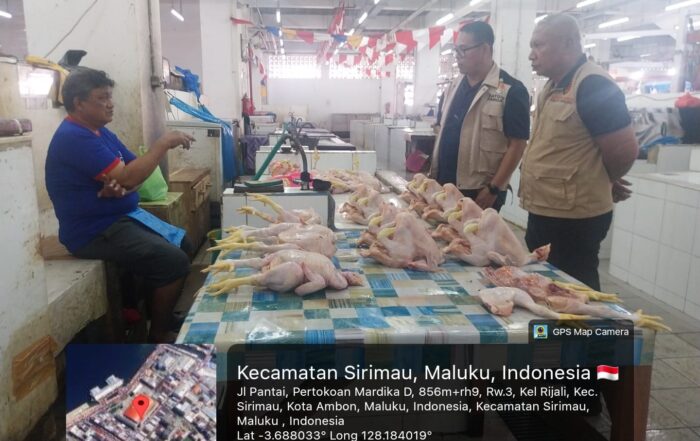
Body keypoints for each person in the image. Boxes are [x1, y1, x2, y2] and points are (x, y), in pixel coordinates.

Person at [45, 68, 196, 343]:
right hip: (92, 230)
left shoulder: (100, 133)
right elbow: (130, 176)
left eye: (110, 97)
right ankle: (158, 334)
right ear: (79, 103)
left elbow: (134, 173)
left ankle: (158, 314)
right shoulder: (73, 137)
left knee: (182, 243)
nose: (110, 104)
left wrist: (126, 183)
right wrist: (161, 145)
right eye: (102, 98)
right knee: (173, 261)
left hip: (120, 216)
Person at [521, 14, 639, 290]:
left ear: (568, 43)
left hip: (573, 218)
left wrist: (604, 179)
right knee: (548, 285)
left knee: (575, 287)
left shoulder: (593, 85)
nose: (531, 55)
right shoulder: (555, 85)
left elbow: (625, 150)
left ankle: (588, 321)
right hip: (549, 208)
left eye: (539, 45)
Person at [429, 21, 530, 211]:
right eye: (456, 50)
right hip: (444, 183)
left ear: (485, 49)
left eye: (463, 50)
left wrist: (494, 188)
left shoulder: (511, 90)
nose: (457, 56)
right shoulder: (453, 87)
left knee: (474, 231)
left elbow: (518, 145)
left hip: (479, 191)